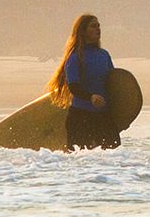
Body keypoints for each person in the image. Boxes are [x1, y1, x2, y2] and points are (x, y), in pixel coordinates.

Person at [46, 13, 120, 151]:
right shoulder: (75, 58)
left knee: (114, 157)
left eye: (99, 26)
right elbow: (73, 86)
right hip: (81, 118)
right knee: (81, 161)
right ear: (83, 31)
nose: (98, 29)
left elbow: (113, 83)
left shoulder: (104, 55)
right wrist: (90, 97)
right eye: (93, 26)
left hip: (104, 117)